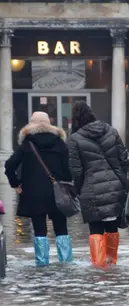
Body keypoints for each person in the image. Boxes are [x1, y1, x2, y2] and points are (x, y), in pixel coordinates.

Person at [5, 111, 73, 267]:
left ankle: (42, 262)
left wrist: (16, 183)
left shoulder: (26, 144)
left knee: (39, 229)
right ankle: (66, 261)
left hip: (33, 192)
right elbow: (68, 169)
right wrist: (66, 183)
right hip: (57, 192)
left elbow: (9, 165)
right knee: (61, 227)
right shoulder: (60, 143)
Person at [66, 101, 129, 268]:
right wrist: (122, 180)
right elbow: (124, 159)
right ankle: (112, 262)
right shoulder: (111, 131)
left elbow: (76, 170)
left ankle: (99, 266)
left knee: (95, 227)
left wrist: (77, 189)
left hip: (90, 189)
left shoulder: (75, 139)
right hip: (115, 186)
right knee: (111, 225)